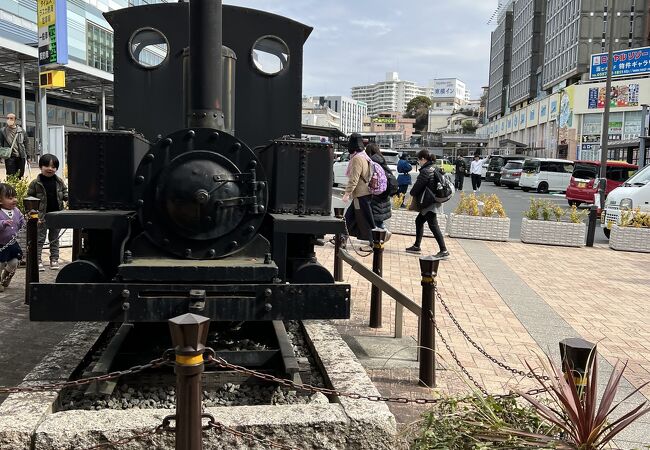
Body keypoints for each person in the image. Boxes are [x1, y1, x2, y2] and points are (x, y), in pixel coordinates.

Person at [27, 154, 68, 271]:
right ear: (40, 167)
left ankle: (54, 259)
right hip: (41, 216)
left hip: (56, 214)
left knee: (54, 239)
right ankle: (37, 260)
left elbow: (65, 193)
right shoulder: (35, 183)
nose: (50, 168)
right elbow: (29, 199)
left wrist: (68, 199)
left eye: (53, 166)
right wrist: (33, 215)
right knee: (39, 239)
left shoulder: (59, 181)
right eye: (47, 165)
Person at [405, 149, 449, 258]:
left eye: (419, 159)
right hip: (434, 199)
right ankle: (416, 246)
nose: (418, 162)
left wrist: (411, 193)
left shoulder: (426, 171)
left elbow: (417, 187)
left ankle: (444, 250)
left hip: (429, 202)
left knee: (433, 225)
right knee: (419, 221)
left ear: (423, 159)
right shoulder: (434, 168)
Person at [342, 133, 376, 251]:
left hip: (360, 195)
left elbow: (354, 178)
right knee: (349, 218)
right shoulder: (364, 156)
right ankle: (342, 238)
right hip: (364, 194)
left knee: (364, 220)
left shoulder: (357, 158)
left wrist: (347, 193)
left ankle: (373, 243)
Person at [0, 183, 25, 291]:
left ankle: (5, 278)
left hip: (13, 243)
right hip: (1, 244)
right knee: (0, 264)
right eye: (10, 198)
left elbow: (22, 222)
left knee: (14, 262)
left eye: (15, 197)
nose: (14, 200)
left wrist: (31, 222)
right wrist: (3, 223)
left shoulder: (17, 211)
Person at [365, 143, 392, 240]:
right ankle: (378, 237)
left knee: (374, 217)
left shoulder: (372, 161)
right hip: (384, 192)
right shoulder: (382, 160)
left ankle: (382, 234)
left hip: (375, 192)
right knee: (377, 216)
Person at [0, 114, 27, 178]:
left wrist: (28, 156)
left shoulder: (21, 131)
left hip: (21, 156)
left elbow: (26, 143)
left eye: (11, 118)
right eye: (8, 118)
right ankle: (10, 188)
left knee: (20, 175)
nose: (9, 120)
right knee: (10, 176)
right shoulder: (2, 130)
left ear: (15, 120)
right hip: (9, 157)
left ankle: (18, 187)